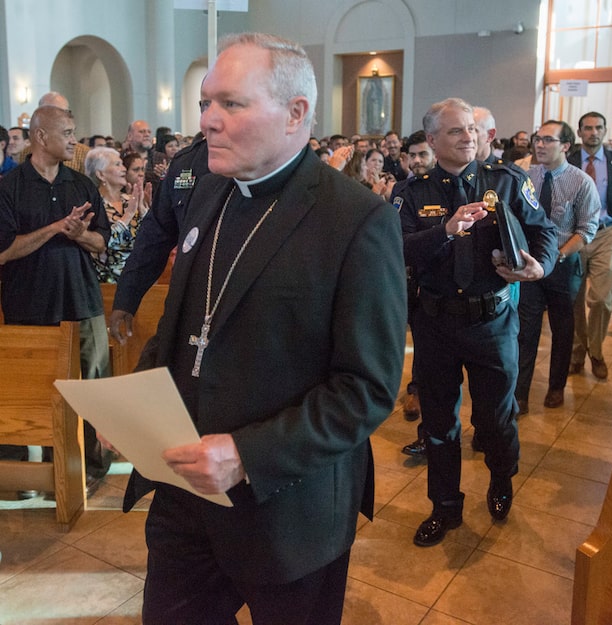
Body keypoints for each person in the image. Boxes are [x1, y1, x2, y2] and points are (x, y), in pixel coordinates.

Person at [115, 33, 406, 624]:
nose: (208, 123)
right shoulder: (206, 195)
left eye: (231, 104)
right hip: (186, 498)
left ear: (296, 112)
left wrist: (247, 454)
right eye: (204, 105)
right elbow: (184, 327)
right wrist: (134, 408)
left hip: (288, 511)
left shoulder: (356, 220)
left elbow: (368, 389)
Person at [396, 97, 558, 547]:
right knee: (439, 424)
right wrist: (444, 231)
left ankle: (502, 479)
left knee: (495, 419)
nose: (468, 136)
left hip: (492, 321)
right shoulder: (412, 192)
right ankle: (444, 507)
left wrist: (539, 266)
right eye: (455, 131)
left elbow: (544, 230)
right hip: (435, 324)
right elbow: (394, 249)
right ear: (431, 140)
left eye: (471, 128)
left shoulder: (505, 181)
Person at [0, 105, 112, 491]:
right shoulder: (9, 188)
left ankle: (95, 468)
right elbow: (4, 251)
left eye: (74, 132)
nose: (73, 140)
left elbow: (101, 243)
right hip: (29, 306)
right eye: (66, 133)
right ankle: (42, 474)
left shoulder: (81, 185)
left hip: (83, 300)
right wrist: (55, 228)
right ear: (41, 137)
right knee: (40, 393)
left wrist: (78, 233)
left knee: (96, 386)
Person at [516, 120, 599, 412]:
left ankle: (556, 387)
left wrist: (558, 256)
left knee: (563, 329)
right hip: (530, 263)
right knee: (526, 330)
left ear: (565, 146)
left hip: (563, 263)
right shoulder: (526, 175)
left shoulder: (580, 181)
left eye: (548, 140)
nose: (540, 144)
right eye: (538, 139)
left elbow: (587, 229)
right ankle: (521, 394)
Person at [109, 135, 210, 341]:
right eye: (204, 106)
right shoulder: (187, 162)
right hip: (190, 298)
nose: (210, 116)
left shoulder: (259, 159)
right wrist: (127, 298)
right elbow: (155, 236)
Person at [567, 111, 612, 379]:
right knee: (574, 298)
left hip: (606, 232)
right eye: (588, 128)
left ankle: (596, 350)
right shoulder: (568, 161)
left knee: (603, 299)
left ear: (605, 131)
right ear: (580, 132)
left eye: (598, 128)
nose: (593, 132)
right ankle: (577, 350)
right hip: (575, 234)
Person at [395, 130, 436, 457]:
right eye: (413, 156)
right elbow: (400, 242)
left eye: (423, 154)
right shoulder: (403, 191)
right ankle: (428, 435)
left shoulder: (447, 188)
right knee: (425, 356)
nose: (418, 161)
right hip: (414, 285)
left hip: (442, 287)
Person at [85, 147, 148, 283]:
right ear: (101, 175)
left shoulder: (130, 200)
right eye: (117, 165)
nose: (124, 169)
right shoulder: (92, 205)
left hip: (139, 278)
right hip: (108, 282)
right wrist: (127, 216)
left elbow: (149, 239)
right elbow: (102, 243)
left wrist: (144, 212)